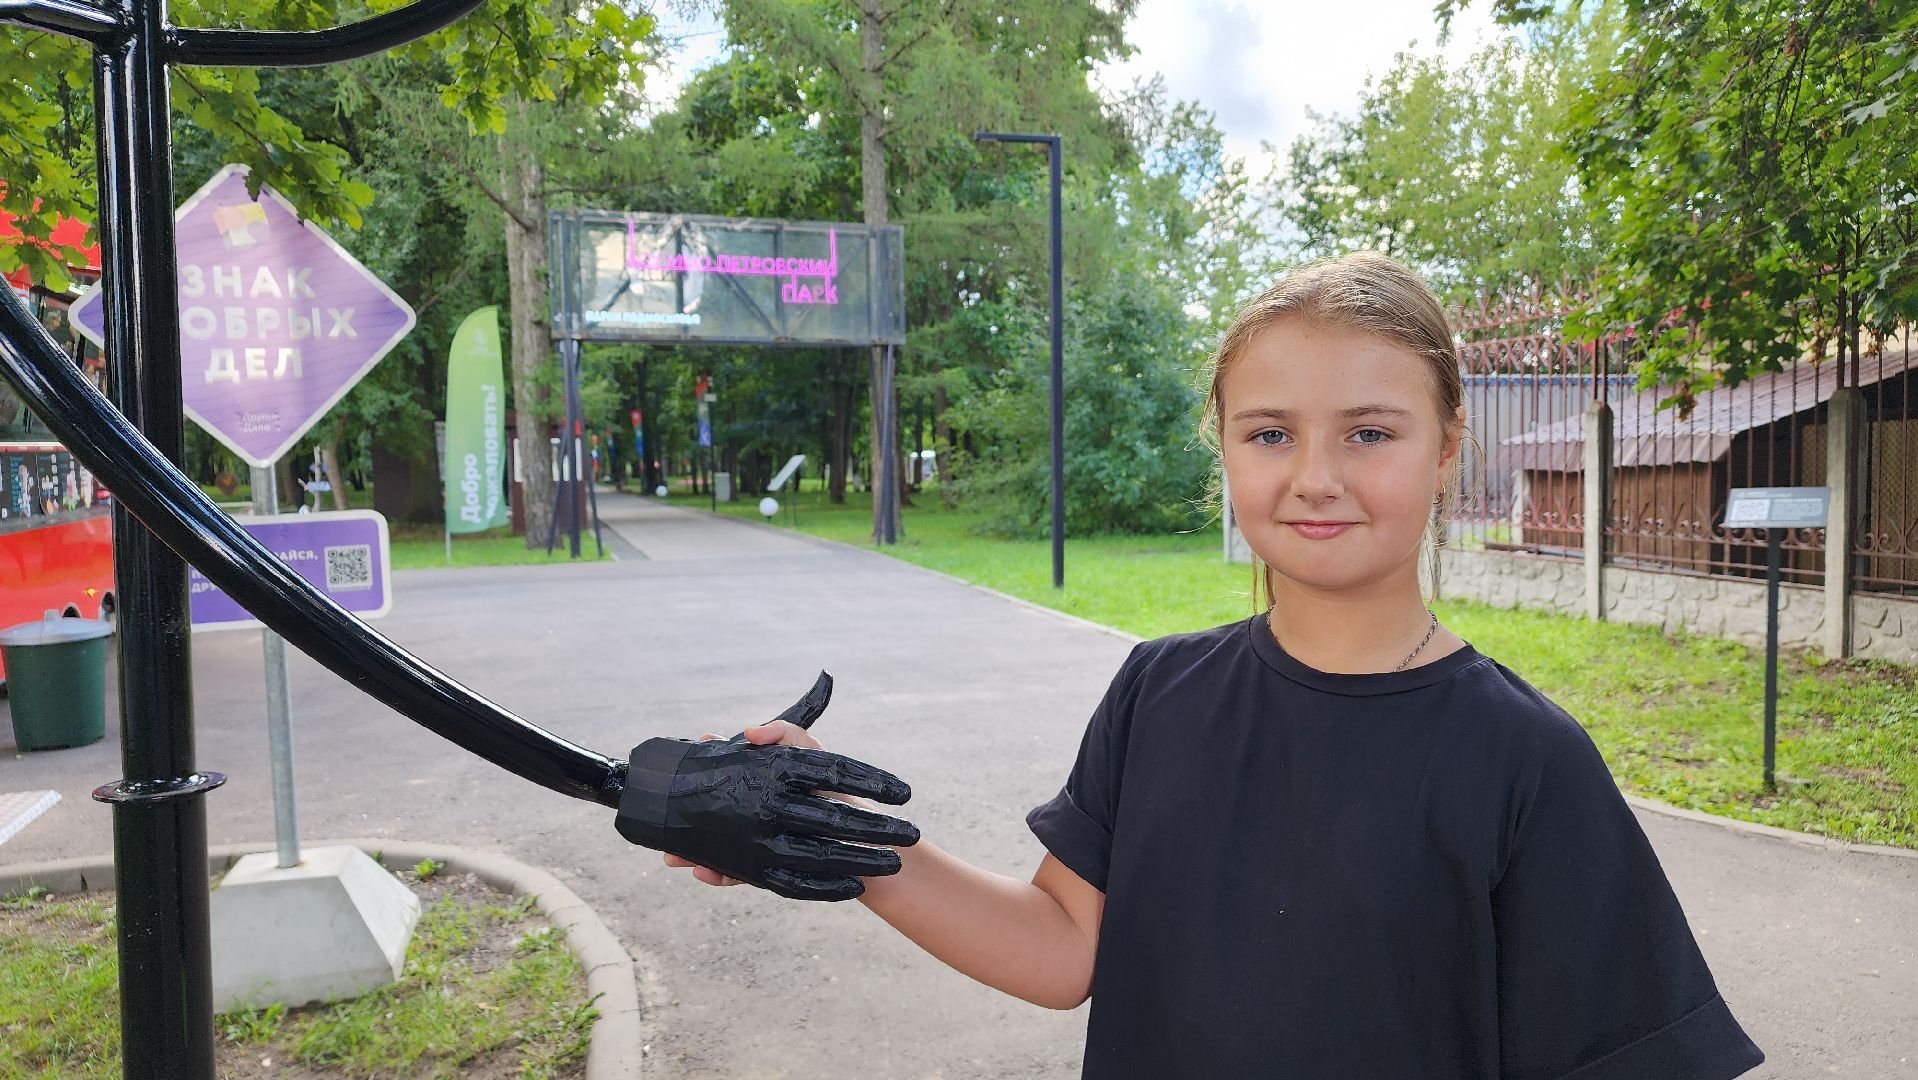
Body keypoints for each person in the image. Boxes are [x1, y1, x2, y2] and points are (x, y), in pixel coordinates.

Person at [663, 252, 1766, 1079]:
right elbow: (1062, 949)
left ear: (1447, 450)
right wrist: (828, 830)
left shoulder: (1527, 760)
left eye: (1369, 433)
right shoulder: (1158, 691)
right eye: (1270, 433)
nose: (1316, 476)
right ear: (1225, 449)